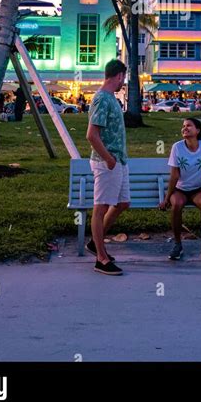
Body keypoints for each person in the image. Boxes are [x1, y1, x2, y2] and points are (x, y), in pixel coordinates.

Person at [159, 118, 201, 262]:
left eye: (189, 126)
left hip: (198, 189)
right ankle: (178, 244)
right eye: (183, 126)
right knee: (176, 204)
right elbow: (174, 175)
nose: (185, 128)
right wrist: (166, 198)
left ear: (198, 130)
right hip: (180, 189)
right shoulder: (177, 147)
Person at [86, 59, 130, 276]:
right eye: (124, 77)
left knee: (123, 202)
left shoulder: (111, 98)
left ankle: (96, 242)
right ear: (120, 75)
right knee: (100, 207)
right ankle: (101, 259)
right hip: (107, 163)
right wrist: (109, 160)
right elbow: (91, 135)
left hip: (118, 161)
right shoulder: (102, 98)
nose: (124, 81)